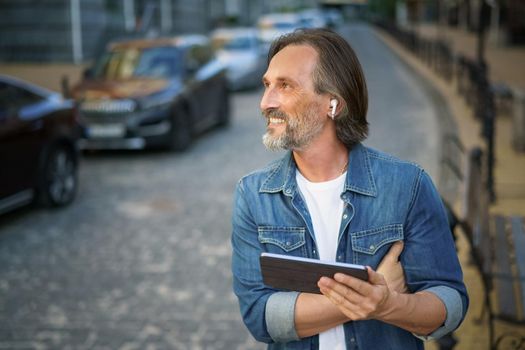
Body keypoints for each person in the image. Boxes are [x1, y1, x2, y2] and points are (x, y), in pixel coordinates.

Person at [231, 28, 468, 350]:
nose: (265, 102)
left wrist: (390, 305)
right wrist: (373, 297)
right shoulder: (254, 194)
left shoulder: (406, 185)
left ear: (333, 103)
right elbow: (259, 317)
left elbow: (449, 305)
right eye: (267, 85)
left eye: (285, 86)